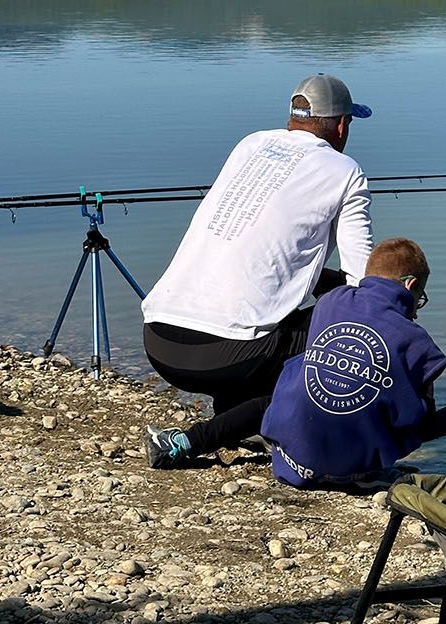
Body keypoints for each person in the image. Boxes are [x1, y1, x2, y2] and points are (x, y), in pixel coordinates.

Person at [141, 72, 373, 466]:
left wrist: (323, 279)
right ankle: (323, 440)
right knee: (353, 327)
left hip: (160, 342)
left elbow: (258, 249)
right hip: (222, 356)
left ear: (293, 117)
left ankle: (237, 418)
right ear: (340, 124)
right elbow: (364, 283)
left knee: (267, 317)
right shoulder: (345, 172)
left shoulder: (251, 144)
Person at [261, 236, 446, 491]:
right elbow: (422, 429)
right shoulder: (419, 344)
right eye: (420, 296)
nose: (418, 305)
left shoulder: (330, 301)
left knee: (303, 366)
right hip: (348, 474)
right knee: (407, 405)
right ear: (411, 285)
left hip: (288, 460)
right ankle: (362, 473)